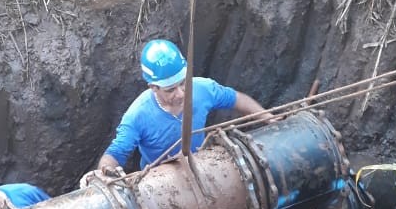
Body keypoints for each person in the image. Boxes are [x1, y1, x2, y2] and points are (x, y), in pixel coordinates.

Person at [90, 39, 270, 178]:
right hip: (160, 182)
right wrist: (104, 174)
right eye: (170, 90)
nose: (181, 93)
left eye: (183, 83)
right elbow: (116, 153)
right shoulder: (138, 115)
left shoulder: (202, 89)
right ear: (153, 87)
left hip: (201, 165)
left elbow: (237, 99)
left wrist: (269, 118)